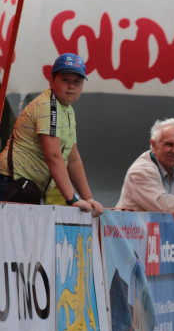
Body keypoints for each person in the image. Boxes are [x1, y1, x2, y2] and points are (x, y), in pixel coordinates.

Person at [0, 53, 102, 214]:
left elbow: (73, 159)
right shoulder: (48, 106)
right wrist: (73, 199)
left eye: (77, 81)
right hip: (10, 180)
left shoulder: (67, 110)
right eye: (65, 80)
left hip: (27, 186)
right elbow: (53, 156)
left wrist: (88, 197)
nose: (71, 86)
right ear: (51, 80)